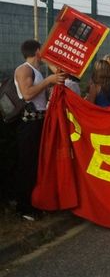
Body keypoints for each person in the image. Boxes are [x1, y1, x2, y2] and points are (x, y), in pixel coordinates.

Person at [14, 39, 66, 220]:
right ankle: (24, 207)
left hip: (38, 122)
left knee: (36, 164)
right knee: (27, 165)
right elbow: (27, 94)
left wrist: (51, 79)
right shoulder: (24, 69)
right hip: (28, 124)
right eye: (42, 49)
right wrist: (48, 81)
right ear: (37, 51)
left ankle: (35, 202)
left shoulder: (36, 70)